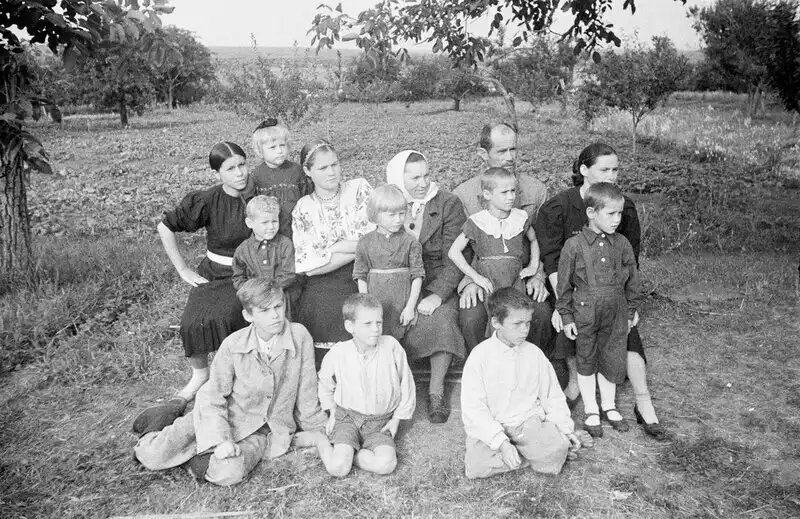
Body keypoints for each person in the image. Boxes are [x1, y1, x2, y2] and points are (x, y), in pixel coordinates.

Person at [133, 280, 327, 486]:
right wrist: (220, 440)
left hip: (262, 429)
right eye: (264, 310)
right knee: (150, 455)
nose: (275, 315)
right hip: (222, 415)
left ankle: (194, 459)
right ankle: (162, 417)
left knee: (229, 472)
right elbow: (212, 395)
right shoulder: (233, 344)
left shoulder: (299, 336)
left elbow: (307, 390)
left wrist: (322, 428)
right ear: (248, 316)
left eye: (279, 306)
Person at [536, 142, 668, 441]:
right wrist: (562, 306)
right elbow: (554, 261)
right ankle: (576, 387)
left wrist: (629, 306)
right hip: (570, 289)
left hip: (613, 293)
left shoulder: (622, 207)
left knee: (627, 334)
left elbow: (630, 261)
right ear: (584, 170)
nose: (612, 175)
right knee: (575, 329)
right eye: (604, 169)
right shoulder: (558, 207)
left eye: (615, 169)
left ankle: (643, 400)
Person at [139, 142, 254, 421]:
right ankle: (200, 375)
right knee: (193, 322)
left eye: (242, 164)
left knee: (230, 317)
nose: (239, 173)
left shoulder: (258, 193)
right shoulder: (207, 200)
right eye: (230, 168)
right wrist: (182, 269)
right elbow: (165, 226)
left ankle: (238, 378)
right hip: (215, 273)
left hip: (250, 273)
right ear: (217, 173)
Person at [461, 288, 587, 480]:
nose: (524, 330)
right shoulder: (479, 356)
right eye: (517, 324)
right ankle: (535, 455)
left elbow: (552, 396)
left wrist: (565, 428)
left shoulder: (534, 353)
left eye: (527, 323)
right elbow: (473, 409)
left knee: (557, 447)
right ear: (496, 323)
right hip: (494, 424)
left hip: (528, 425)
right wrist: (502, 443)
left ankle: (549, 447)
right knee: (476, 467)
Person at [454, 123, 553, 355]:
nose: (510, 157)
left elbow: (545, 242)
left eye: (513, 149)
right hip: (483, 276)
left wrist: (537, 275)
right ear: (483, 153)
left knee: (540, 314)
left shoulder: (535, 190)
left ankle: (530, 366)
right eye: (501, 151)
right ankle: (485, 368)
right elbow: (460, 250)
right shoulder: (464, 194)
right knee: (471, 318)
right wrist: (470, 281)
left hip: (522, 275)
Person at [386, 150, 467, 423]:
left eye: (426, 175)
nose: (423, 183)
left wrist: (437, 294)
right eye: (414, 178)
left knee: (441, 319)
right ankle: (393, 387)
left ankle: (436, 391)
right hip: (400, 280)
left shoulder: (448, 204)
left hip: (435, 279)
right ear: (399, 179)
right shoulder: (389, 202)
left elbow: (455, 257)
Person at [555, 183, 642, 437]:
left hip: (616, 311)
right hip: (585, 312)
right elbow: (563, 285)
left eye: (619, 214)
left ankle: (609, 406)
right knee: (586, 358)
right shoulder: (573, 245)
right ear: (591, 213)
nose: (617, 220)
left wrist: (630, 311)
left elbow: (632, 280)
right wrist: (566, 316)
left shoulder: (622, 244)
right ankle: (591, 409)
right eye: (611, 214)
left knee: (612, 356)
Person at [313, 293, 416, 477]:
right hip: (348, 419)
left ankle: (350, 453)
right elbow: (325, 382)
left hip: (380, 422)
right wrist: (332, 410)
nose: (375, 329)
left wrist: (396, 420)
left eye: (379, 322)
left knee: (386, 464)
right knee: (338, 468)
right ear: (350, 326)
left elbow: (406, 385)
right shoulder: (339, 352)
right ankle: (320, 440)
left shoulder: (391, 347)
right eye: (367, 324)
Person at [292, 139, 373, 363]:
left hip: (365, 270)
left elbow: (374, 240)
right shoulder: (304, 208)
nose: (331, 172)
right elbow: (308, 267)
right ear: (308, 171)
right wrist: (357, 246)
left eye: (335, 165)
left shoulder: (358, 189)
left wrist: (332, 249)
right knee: (319, 306)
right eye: (323, 168)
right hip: (323, 279)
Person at [354, 184, 425, 340]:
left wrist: (410, 307)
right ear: (375, 215)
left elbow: (417, 275)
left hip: (404, 300)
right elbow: (361, 276)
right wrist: (368, 307)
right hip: (377, 300)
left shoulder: (410, 241)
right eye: (392, 215)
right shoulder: (364, 242)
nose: (398, 219)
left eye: (401, 214)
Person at [250, 118, 313, 239]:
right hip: (272, 233)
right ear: (260, 151)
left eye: (282, 145)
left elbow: (308, 195)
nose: (279, 151)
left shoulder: (296, 171)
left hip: (298, 230)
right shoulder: (256, 176)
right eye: (272, 147)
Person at [231, 195, 295, 292]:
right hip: (255, 296)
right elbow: (238, 279)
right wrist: (254, 291)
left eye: (274, 221)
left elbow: (289, 274)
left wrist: (268, 290)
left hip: (282, 294)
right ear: (249, 223)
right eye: (265, 222)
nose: (271, 227)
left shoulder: (285, 244)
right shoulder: (242, 250)